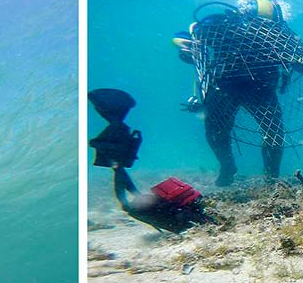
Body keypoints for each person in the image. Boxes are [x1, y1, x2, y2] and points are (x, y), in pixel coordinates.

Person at [177, 0, 303, 186]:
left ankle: (271, 178)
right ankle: (227, 167)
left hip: (260, 90)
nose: (259, 28)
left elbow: (301, 65)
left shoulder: (279, 34)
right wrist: (184, 46)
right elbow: (186, 36)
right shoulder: (222, 23)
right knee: (216, 130)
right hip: (224, 86)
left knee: (273, 133)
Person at [88, 88, 213, 234]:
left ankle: (139, 201)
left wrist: (97, 144)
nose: (98, 111)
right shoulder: (119, 127)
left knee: (123, 190)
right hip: (118, 164)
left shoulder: (117, 127)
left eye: (99, 108)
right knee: (124, 187)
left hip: (118, 163)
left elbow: (112, 150)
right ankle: (139, 200)